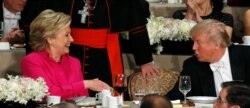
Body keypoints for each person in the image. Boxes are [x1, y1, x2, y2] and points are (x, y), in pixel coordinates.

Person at [22, 0, 160, 97]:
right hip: (70, 51)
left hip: (104, 55)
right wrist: (38, 57)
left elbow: (134, 17)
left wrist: (145, 59)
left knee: (105, 96)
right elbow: (36, 22)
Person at [21, 9, 110, 101]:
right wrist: (85, 84)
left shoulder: (74, 62)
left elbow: (83, 99)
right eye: (67, 35)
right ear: (50, 39)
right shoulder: (31, 61)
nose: (72, 39)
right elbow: (48, 94)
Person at [166, 19, 250, 100]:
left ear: (217, 44)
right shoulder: (192, 65)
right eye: (193, 42)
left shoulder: (247, 55)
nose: (193, 47)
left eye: (198, 42)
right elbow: (176, 96)